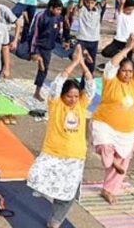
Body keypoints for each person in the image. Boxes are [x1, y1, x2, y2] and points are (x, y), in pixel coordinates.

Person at [26, 46, 95, 228]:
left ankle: (55, 221)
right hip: (54, 153)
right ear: (62, 96)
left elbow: (90, 86)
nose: (73, 99)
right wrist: (73, 63)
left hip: (75, 156)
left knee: (68, 194)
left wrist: (83, 64)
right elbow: (57, 83)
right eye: (69, 96)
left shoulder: (81, 104)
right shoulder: (55, 104)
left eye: (76, 96)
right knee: (38, 177)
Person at [91, 35, 134, 204]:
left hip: (126, 130)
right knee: (104, 147)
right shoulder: (110, 80)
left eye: (130, 71)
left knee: (123, 159)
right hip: (105, 124)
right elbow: (111, 65)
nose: (127, 74)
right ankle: (110, 162)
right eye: (124, 70)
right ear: (119, 71)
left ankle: (108, 190)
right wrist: (126, 49)